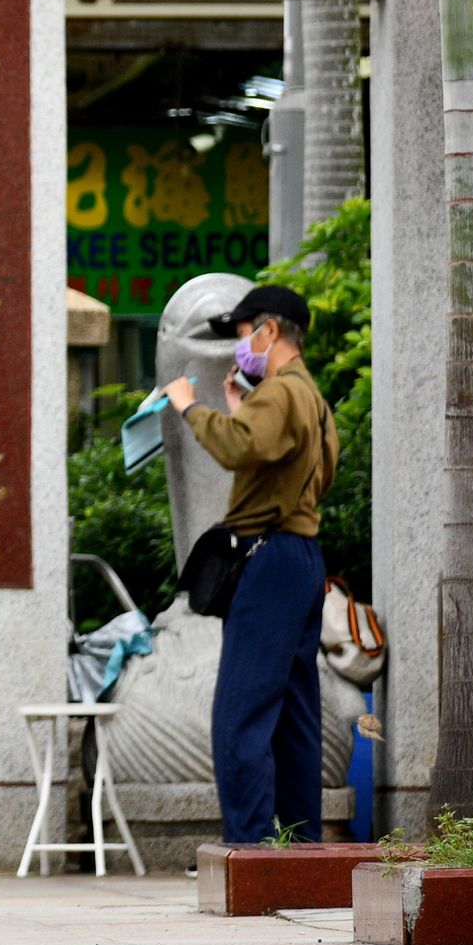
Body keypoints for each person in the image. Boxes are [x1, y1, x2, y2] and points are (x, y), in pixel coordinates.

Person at [166, 284, 338, 846]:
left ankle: (249, 845)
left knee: (240, 709)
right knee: (294, 717)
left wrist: (190, 405)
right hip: (302, 557)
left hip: (267, 559)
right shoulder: (309, 395)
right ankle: (298, 845)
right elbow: (315, 467)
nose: (243, 344)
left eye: (244, 333)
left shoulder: (281, 392)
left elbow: (241, 448)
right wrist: (247, 411)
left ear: (269, 330)